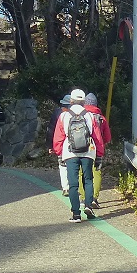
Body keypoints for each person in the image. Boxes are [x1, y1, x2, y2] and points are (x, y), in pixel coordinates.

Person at [52, 88, 103, 222]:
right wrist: (99, 155)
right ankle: (88, 206)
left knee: (73, 183)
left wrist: (59, 153)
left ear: (71, 101)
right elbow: (97, 137)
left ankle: (76, 214)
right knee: (88, 180)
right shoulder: (90, 116)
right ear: (84, 102)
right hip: (88, 151)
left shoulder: (64, 116)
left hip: (70, 152)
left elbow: (58, 137)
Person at [83, 92, 112, 208]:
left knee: (81, 172)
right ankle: (94, 198)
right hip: (96, 148)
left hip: (81, 147)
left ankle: (84, 197)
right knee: (96, 172)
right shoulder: (101, 118)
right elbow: (107, 137)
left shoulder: (80, 116)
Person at [47, 94, 72, 196]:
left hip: (60, 143)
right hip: (76, 145)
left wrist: (50, 145)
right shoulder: (78, 114)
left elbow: (51, 129)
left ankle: (65, 188)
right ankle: (74, 186)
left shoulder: (57, 113)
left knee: (63, 166)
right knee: (74, 165)